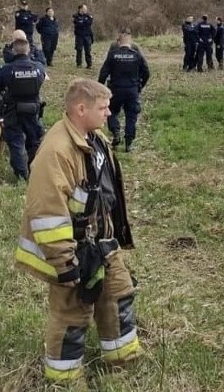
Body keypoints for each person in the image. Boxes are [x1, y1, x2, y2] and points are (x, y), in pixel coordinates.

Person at [14, 78, 142, 384]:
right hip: (73, 251)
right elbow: (46, 212)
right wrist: (66, 264)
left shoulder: (95, 138)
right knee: (73, 313)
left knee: (118, 295)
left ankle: (121, 365)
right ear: (80, 108)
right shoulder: (56, 150)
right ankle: (65, 380)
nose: (109, 113)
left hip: (102, 243)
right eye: (103, 107)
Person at [0, 38, 46, 181]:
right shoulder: (38, 67)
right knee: (34, 141)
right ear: (28, 50)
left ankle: (21, 175)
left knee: (16, 142)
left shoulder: (7, 69)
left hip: (13, 110)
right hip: (33, 109)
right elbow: (42, 80)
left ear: (13, 51)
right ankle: (34, 170)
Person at [98, 32, 150, 152]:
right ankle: (128, 143)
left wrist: (101, 88)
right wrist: (140, 85)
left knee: (112, 112)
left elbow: (103, 73)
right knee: (131, 115)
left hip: (115, 89)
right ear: (130, 43)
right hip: (132, 89)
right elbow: (146, 72)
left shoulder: (112, 55)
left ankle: (116, 132)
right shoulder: (136, 55)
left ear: (118, 42)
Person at [73, 4, 94, 69]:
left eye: (86, 9)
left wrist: (83, 22)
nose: (85, 10)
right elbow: (78, 24)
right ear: (80, 9)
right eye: (84, 9)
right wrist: (84, 22)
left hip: (87, 36)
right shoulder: (76, 16)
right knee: (79, 50)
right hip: (79, 36)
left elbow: (89, 23)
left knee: (88, 50)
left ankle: (89, 64)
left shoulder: (89, 16)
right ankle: (79, 64)